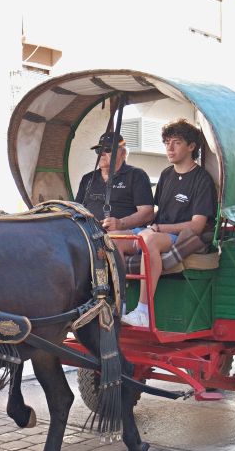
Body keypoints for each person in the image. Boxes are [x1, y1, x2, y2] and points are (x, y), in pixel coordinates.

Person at [122, 120, 217, 327]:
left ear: (191, 147)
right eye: (167, 143)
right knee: (112, 241)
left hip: (182, 238)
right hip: (155, 231)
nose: (169, 148)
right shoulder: (166, 175)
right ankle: (119, 305)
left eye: (176, 143)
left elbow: (197, 226)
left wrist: (156, 229)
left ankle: (143, 312)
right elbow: (157, 213)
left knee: (150, 242)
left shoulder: (202, 180)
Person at [73, 132, 154, 232]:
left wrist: (121, 224)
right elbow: (76, 208)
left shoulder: (136, 175)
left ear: (123, 153)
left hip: (123, 235)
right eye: (99, 150)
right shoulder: (88, 178)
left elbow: (148, 213)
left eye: (107, 149)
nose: (102, 153)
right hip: (90, 234)